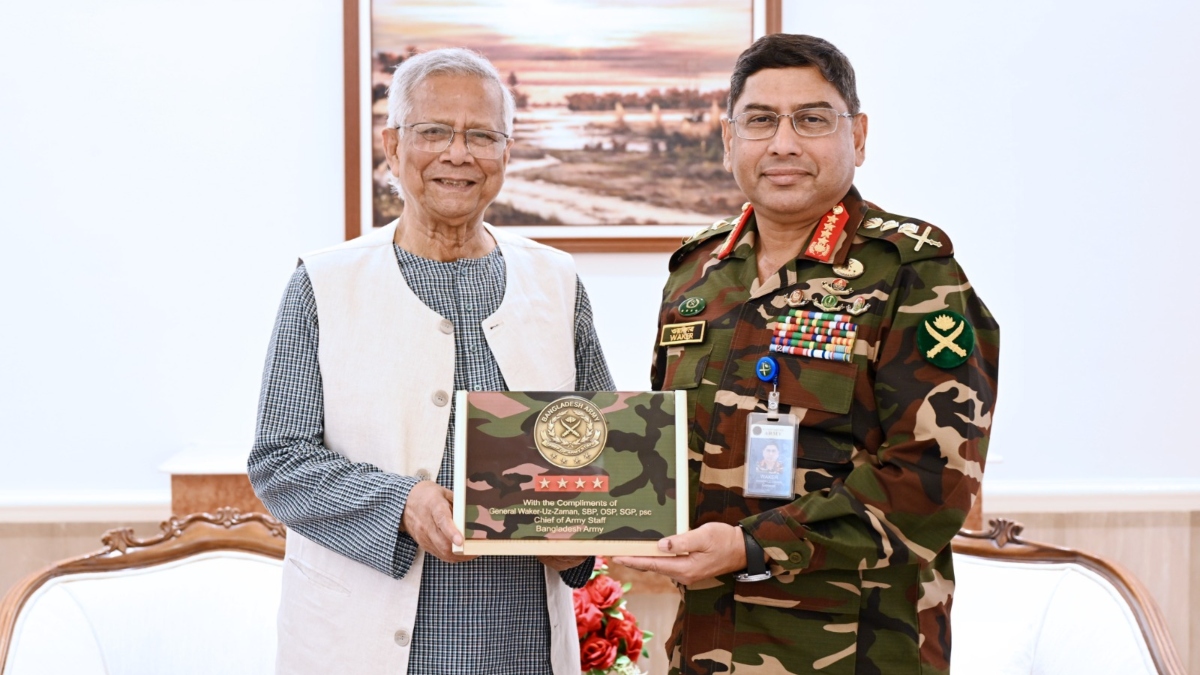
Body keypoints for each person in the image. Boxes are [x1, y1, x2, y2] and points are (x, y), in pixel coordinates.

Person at [614, 34, 999, 674]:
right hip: (706, 647)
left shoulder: (915, 274)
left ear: (859, 135)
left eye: (812, 119)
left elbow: (931, 482)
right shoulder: (697, 276)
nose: (784, 143)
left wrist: (751, 548)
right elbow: (671, 449)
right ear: (728, 137)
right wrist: (586, 519)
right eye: (760, 120)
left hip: (855, 650)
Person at [248, 48, 614, 675]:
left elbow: (604, 453)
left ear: (507, 151)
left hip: (522, 644)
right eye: (434, 132)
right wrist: (402, 503)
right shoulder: (324, 283)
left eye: (481, 136)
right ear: (393, 145)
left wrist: (578, 537)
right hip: (363, 643)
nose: (458, 153)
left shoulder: (556, 281)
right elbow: (279, 464)